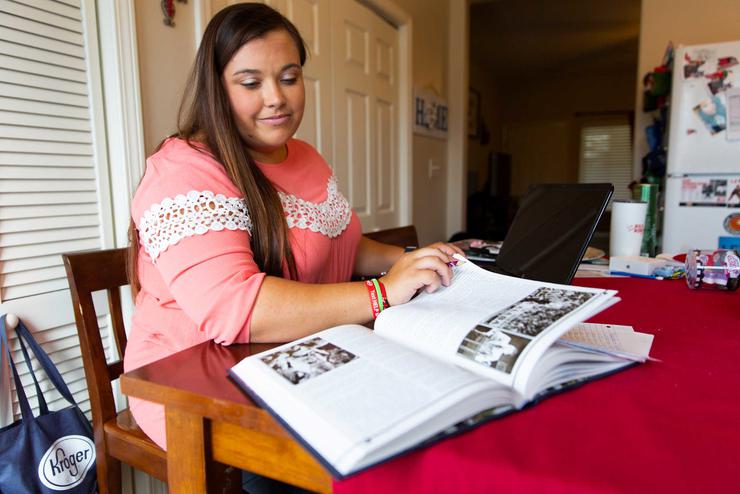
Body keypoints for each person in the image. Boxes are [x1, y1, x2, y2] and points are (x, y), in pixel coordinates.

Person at [124, 0, 463, 470]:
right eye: (250, 83)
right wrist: (383, 293)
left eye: (289, 77)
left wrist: (414, 260)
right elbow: (236, 311)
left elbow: (342, 243)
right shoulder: (183, 170)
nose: (276, 98)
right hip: (194, 385)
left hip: (291, 352)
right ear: (216, 88)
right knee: (357, 454)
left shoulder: (303, 155)